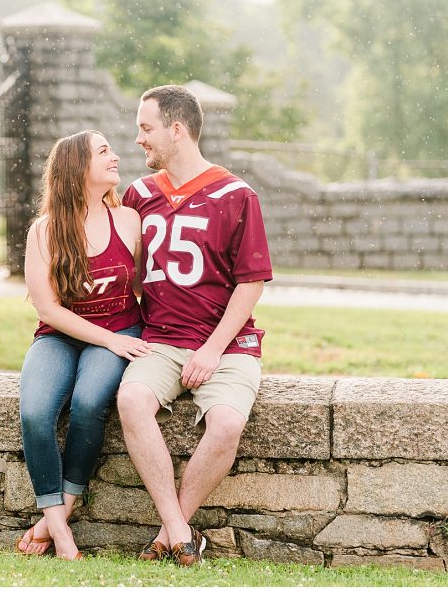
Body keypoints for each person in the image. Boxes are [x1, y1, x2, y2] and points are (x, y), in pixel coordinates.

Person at [117, 85, 272, 566]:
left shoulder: (235, 195)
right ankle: (182, 532)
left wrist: (210, 350)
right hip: (161, 342)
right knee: (131, 400)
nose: (139, 138)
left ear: (177, 130)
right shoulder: (139, 194)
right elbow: (129, 269)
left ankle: (170, 534)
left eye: (147, 128)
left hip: (226, 346)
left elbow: (251, 283)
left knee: (226, 425)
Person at [17, 129, 150, 561]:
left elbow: (149, 291)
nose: (116, 157)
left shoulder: (129, 220)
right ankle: (62, 532)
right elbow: (50, 310)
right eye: (104, 151)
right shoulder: (45, 232)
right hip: (60, 337)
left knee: (91, 402)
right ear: (77, 168)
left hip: (119, 334)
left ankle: (59, 515)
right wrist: (109, 338)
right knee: (37, 414)